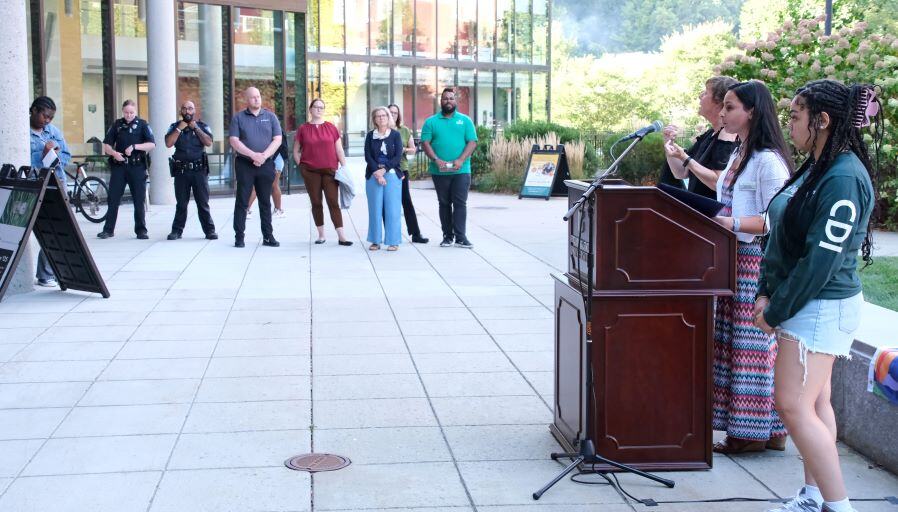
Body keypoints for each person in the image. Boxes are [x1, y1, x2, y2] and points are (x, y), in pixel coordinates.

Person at [756, 80, 879, 512]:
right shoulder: (818, 163)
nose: (789, 123)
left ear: (822, 120)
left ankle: (838, 505)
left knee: (792, 405)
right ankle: (814, 497)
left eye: (795, 115)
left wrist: (777, 309)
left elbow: (820, 261)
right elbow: (782, 237)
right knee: (815, 401)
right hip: (807, 301)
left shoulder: (843, 176)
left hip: (821, 305)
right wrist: (765, 291)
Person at [665, 80, 793, 454]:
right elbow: (720, 188)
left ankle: (754, 433)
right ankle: (763, 431)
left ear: (752, 112)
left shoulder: (768, 159)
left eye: (732, 107)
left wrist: (731, 223)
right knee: (735, 347)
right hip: (733, 258)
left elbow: (774, 219)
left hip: (754, 263)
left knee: (751, 348)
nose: (723, 112)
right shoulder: (742, 154)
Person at [660, 76, 739, 199]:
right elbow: (681, 173)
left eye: (706, 92)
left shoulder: (727, 136)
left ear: (719, 102)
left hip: (715, 216)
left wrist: (685, 158)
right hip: (699, 213)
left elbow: (718, 182)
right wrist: (669, 143)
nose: (700, 96)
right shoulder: (709, 134)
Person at [420, 88, 478, 248]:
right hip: (440, 170)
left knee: (460, 203)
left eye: (451, 98)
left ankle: (461, 237)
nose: (448, 101)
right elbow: (425, 142)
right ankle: (447, 236)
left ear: (456, 101)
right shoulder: (431, 121)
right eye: (445, 98)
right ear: (441, 101)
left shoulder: (465, 120)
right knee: (444, 203)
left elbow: (472, 142)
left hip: (462, 170)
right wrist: (436, 159)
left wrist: (460, 160)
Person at [293, 98, 352, 246]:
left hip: (330, 171)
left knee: (333, 202)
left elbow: (339, 149)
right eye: (316, 107)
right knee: (316, 202)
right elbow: (296, 151)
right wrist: (302, 167)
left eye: (322, 107)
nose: (319, 110)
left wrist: (344, 167)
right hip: (310, 172)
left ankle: (341, 236)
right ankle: (321, 235)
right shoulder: (303, 129)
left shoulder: (331, 128)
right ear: (310, 109)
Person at [228, 86, 281, 248]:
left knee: (265, 201)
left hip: (266, 164)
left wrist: (263, 156)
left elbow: (277, 139)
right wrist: (253, 155)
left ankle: (268, 236)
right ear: (247, 100)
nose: (256, 99)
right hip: (245, 164)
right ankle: (239, 236)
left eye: (258, 96)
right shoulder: (238, 118)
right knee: (242, 200)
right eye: (253, 97)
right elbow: (234, 141)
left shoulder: (271, 117)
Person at [28, 96, 70, 287]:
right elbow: (20, 160)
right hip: (31, 186)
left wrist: (56, 152)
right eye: (45, 116)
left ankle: (45, 274)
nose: (47, 121)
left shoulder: (53, 131)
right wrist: (42, 155)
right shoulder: (21, 132)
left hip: (56, 184)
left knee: (55, 229)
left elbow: (67, 156)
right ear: (34, 110)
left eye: (51, 118)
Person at [99, 99, 155, 240]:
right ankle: (108, 229)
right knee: (113, 199)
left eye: (131, 112)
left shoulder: (142, 125)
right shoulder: (117, 125)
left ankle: (141, 230)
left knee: (138, 199)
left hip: (137, 167)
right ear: (122, 112)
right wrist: (114, 154)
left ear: (135, 112)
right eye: (126, 112)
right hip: (120, 166)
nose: (128, 115)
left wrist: (135, 146)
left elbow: (151, 144)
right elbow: (106, 145)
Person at [164, 100, 217, 240]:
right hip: (181, 171)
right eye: (185, 109)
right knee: (181, 203)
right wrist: (178, 129)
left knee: (203, 203)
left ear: (194, 111)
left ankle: (209, 231)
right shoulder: (174, 126)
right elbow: (168, 143)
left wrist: (196, 128)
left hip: (199, 171)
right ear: (181, 111)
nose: (187, 111)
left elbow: (208, 142)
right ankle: (176, 231)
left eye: (190, 108)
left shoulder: (202, 126)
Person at [364, 106, 404, 251]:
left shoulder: (395, 135)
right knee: (374, 209)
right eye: (378, 116)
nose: (381, 118)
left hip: (392, 174)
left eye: (384, 115)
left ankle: (393, 241)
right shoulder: (370, 135)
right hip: (373, 174)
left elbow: (398, 156)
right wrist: (377, 172)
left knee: (392, 210)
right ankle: (375, 240)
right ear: (374, 119)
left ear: (389, 118)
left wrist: (384, 170)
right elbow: (368, 156)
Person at [387, 103, 428, 243]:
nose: (393, 115)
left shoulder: (404, 130)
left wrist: (401, 149)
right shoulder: (381, 130)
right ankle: (389, 234)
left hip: (401, 169)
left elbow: (413, 149)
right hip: (385, 171)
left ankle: (415, 233)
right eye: (390, 112)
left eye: (395, 113)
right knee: (387, 203)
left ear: (398, 116)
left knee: (406, 201)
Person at [248, 129, 288, 219]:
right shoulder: (268, 128)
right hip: (266, 160)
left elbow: (277, 147)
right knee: (256, 186)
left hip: (274, 160)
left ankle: (278, 209)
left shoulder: (276, 129)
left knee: (273, 184)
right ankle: (246, 209)